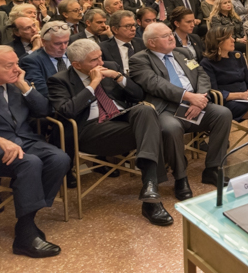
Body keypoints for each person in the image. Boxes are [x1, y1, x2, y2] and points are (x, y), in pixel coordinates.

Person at [47, 39, 171, 226]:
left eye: (100, 57)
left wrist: (119, 78)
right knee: (151, 130)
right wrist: (94, 83)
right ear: (76, 65)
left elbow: (138, 95)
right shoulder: (59, 80)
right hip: (91, 131)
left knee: (146, 111)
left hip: (120, 119)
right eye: (94, 60)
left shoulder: (111, 67)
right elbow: (67, 111)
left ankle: (150, 193)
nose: (100, 63)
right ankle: (151, 194)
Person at [129, 23, 233, 199]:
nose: (171, 37)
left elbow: (202, 75)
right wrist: (188, 97)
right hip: (165, 109)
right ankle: (180, 177)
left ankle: (213, 168)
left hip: (195, 103)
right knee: (171, 129)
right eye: (165, 36)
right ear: (152, 43)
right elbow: (155, 84)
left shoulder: (182, 53)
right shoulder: (139, 60)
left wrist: (199, 98)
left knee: (223, 114)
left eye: (171, 33)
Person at [0, 45, 70, 258]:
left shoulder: (14, 84)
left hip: (25, 141)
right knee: (30, 163)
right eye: (9, 66)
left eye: (17, 64)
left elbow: (44, 111)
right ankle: (25, 236)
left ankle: (25, 223)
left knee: (59, 158)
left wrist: (22, 85)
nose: (16, 69)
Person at [200, 26, 248, 170]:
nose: (233, 40)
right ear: (218, 42)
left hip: (246, 96)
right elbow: (214, 92)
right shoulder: (207, 63)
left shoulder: (237, 56)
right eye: (228, 37)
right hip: (227, 101)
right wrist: (241, 95)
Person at [19, 22, 71, 98]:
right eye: (57, 44)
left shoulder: (72, 54)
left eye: (66, 42)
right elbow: (42, 91)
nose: (63, 47)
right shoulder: (31, 61)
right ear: (44, 42)